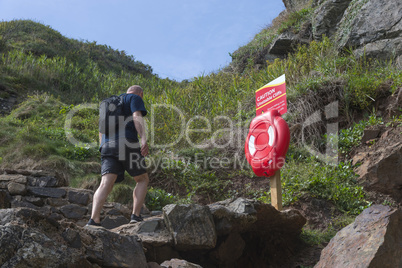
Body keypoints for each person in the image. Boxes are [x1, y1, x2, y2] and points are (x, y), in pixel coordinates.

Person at [86, 85, 149, 227]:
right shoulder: (134, 98)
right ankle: (135, 216)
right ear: (141, 93)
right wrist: (143, 138)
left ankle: (93, 220)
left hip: (107, 146)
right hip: (127, 143)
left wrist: (102, 146)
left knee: (105, 183)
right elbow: (136, 116)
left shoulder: (108, 103)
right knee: (142, 179)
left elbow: (101, 128)